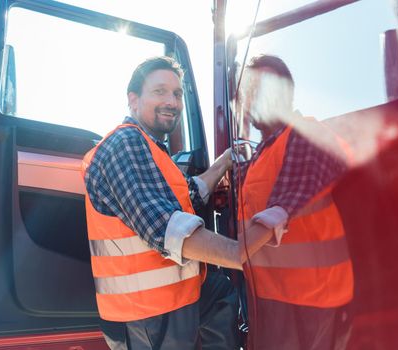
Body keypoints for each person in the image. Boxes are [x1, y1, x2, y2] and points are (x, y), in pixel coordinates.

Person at [81, 56, 272, 350]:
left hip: (178, 296)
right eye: (160, 92)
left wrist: (223, 163)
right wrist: (238, 251)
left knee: (220, 292)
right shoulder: (124, 144)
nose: (172, 101)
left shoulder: (152, 148)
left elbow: (187, 197)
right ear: (133, 100)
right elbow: (164, 226)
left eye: (177, 94)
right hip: (146, 312)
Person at [237, 54, 354, 350]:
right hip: (272, 297)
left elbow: (285, 199)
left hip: (310, 302)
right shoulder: (263, 153)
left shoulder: (305, 133)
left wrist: (226, 253)